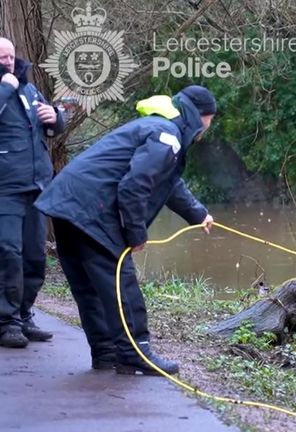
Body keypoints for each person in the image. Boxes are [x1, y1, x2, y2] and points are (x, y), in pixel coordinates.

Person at [34, 85, 217, 374]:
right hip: (91, 209)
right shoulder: (167, 136)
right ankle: (136, 353)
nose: (207, 128)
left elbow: (168, 183)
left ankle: (106, 353)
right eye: (210, 121)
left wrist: (198, 214)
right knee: (121, 280)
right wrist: (135, 234)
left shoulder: (154, 127)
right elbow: (134, 186)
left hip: (66, 204)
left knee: (90, 285)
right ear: (201, 117)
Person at [0, 37, 65, 348]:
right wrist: (6, 88)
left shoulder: (28, 88)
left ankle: (24, 315)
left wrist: (56, 117)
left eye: (10, 56)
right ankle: (6, 321)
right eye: (1, 57)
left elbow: (49, 123)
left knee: (34, 257)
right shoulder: (9, 88)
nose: (7, 61)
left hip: (38, 187)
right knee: (8, 254)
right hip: (5, 189)